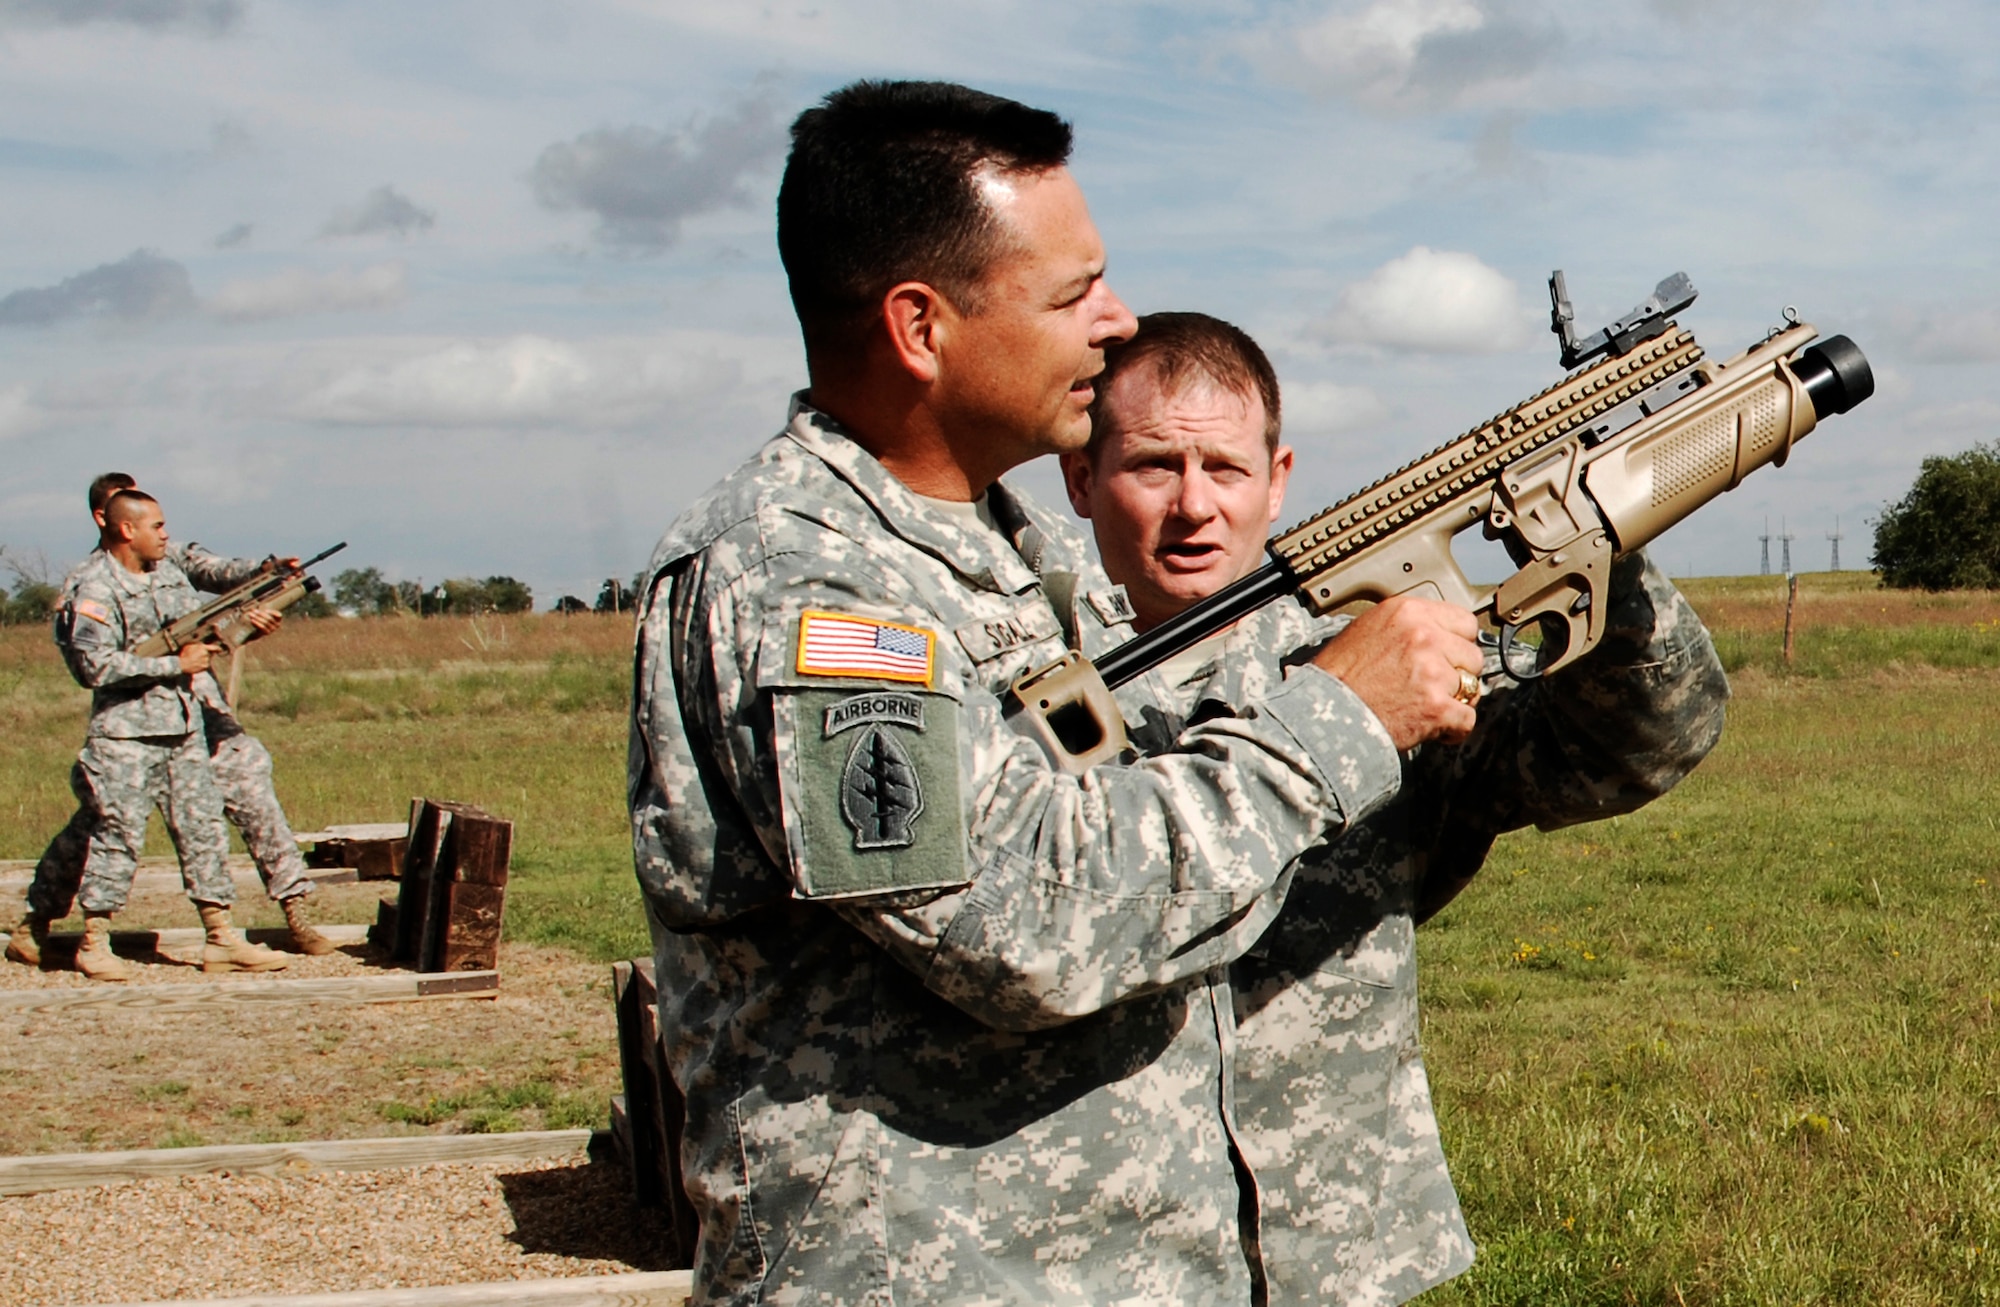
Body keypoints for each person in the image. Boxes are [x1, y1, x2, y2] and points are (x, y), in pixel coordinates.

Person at [629, 80, 1492, 1305]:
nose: (1114, 319)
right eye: (1070, 292)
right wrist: (1334, 720)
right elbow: (1018, 925)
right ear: (919, 327)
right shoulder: (806, 585)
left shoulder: (1009, 552)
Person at [1059, 311, 1731, 1304]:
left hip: (1344, 1253)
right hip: (1109, 1265)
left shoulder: (1384, 655)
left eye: (1226, 468)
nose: (1193, 505)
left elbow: (1635, 747)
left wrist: (1602, 554)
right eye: (1154, 465)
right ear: (1080, 477)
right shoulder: (1015, 691)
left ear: (1277, 478)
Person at [6, 474, 333, 968]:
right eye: (152, 523)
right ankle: (52, 925)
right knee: (105, 829)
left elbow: (214, 579)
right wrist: (172, 665)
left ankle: (257, 923)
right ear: (114, 523)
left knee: (220, 813)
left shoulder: (168, 565)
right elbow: (94, 664)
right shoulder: (93, 583)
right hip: (131, 727)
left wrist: (258, 593)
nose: (164, 534)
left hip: (192, 717)